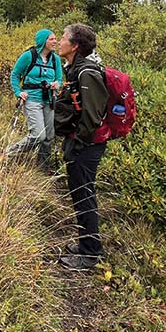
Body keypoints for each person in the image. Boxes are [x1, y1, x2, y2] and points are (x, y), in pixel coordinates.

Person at [54, 23, 109, 271]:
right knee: (79, 193)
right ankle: (86, 244)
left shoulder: (87, 73)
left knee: (84, 194)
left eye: (63, 38)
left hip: (86, 146)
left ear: (75, 46)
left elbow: (93, 116)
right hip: (82, 143)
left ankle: (90, 253)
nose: (59, 42)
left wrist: (78, 142)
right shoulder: (75, 70)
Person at [4, 29, 62, 169]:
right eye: (51, 39)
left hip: (49, 100)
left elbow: (59, 78)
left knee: (48, 136)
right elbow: (15, 75)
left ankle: (42, 168)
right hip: (32, 99)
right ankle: (8, 153)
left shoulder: (56, 59)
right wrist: (18, 92)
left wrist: (57, 84)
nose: (55, 42)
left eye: (55, 39)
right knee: (38, 135)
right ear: (43, 41)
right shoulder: (29, 56)